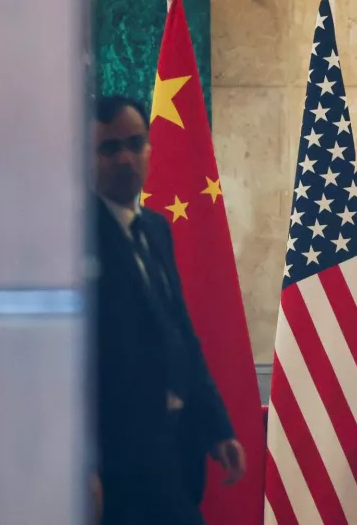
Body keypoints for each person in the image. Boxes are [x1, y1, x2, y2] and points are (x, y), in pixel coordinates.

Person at [91, 95, 246, 524]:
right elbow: (64, 365)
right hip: (115, 465)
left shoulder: (156, 228)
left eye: (134, 143)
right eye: (109, 148)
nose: (124, 158)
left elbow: (179, 333)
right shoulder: (72, 237)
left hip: (175, 453)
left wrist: (217, 427)